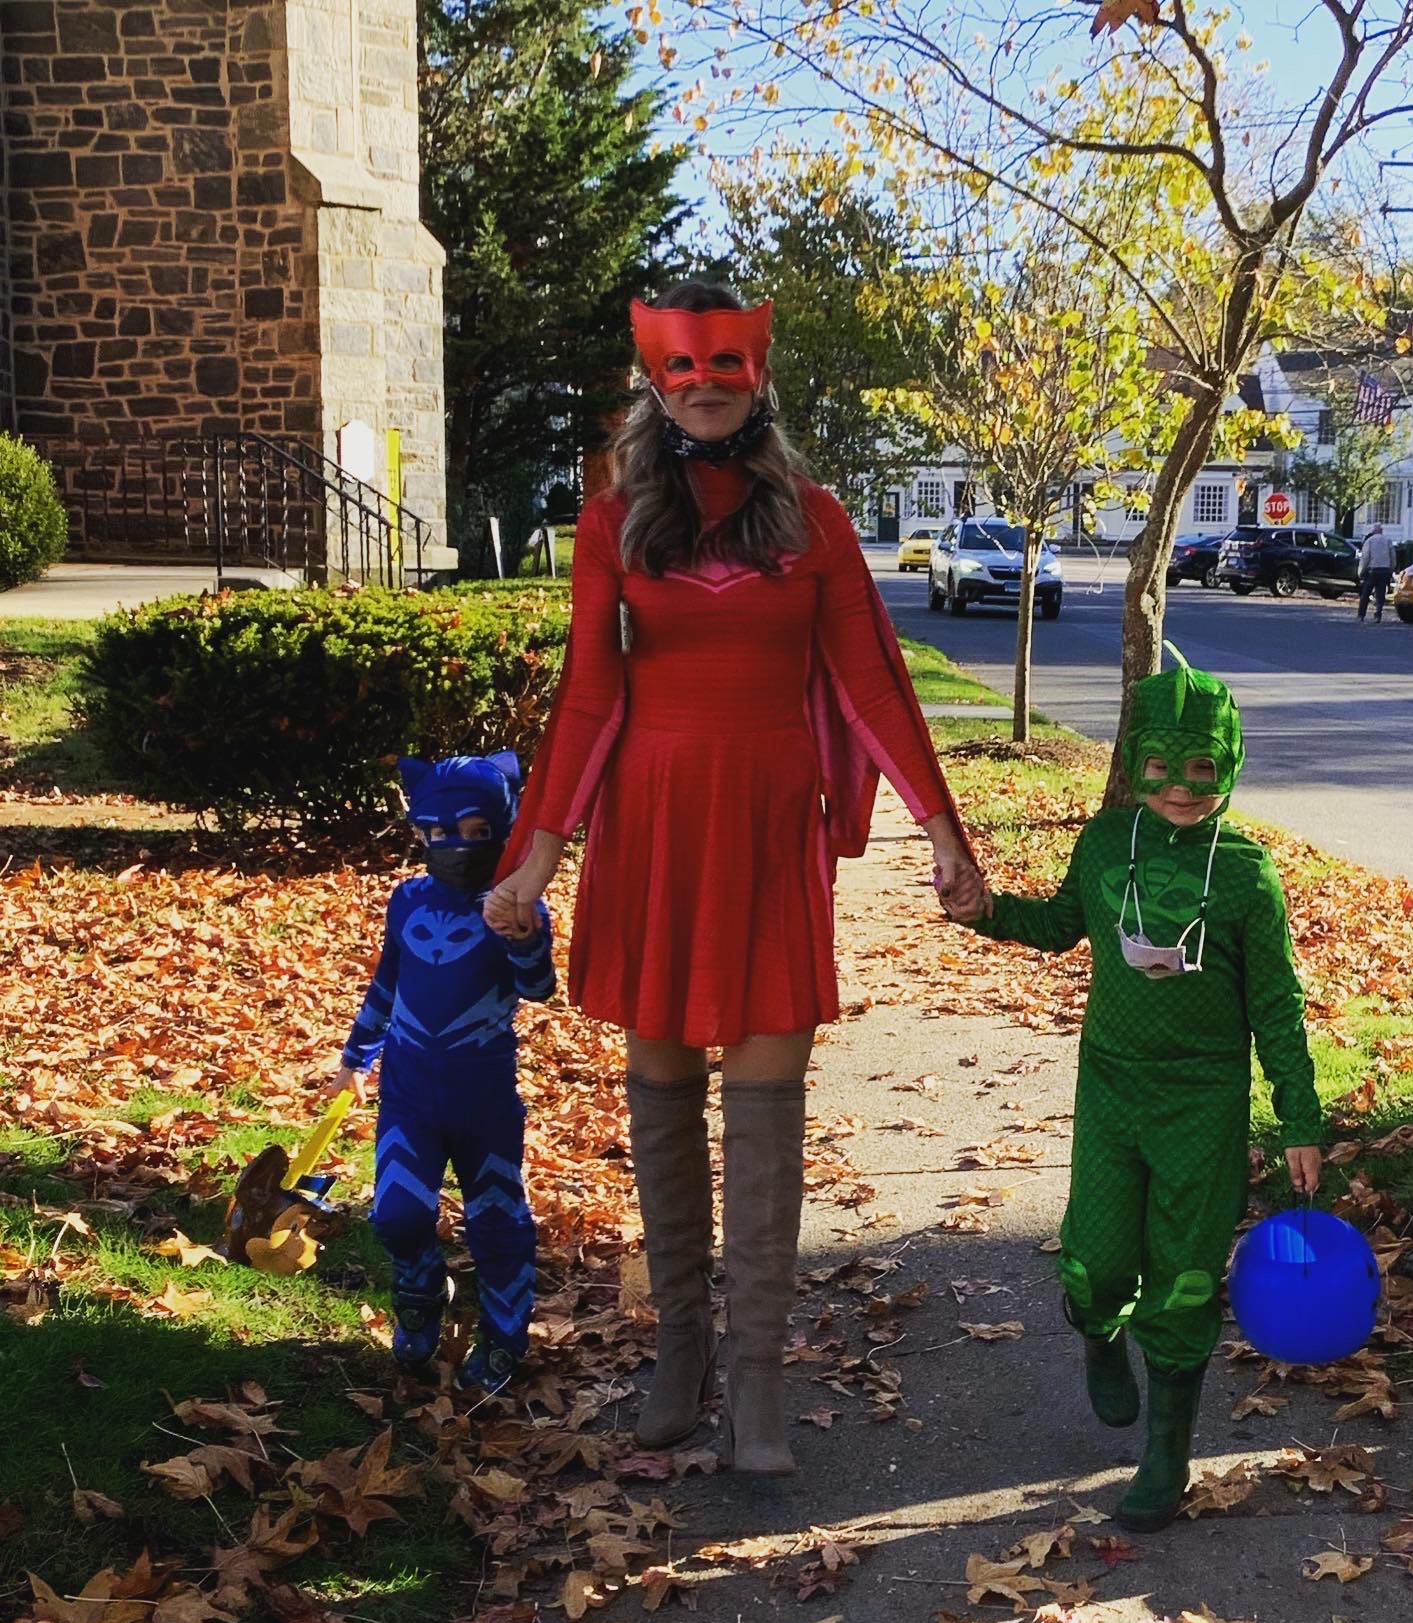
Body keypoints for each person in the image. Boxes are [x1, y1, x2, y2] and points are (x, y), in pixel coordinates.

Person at [484, 282, 983, 1476]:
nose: (703, 385)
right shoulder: (614, 520)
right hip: (652, 830)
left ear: (756, 376)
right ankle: (683, 1350)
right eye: (682, 368)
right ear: (655, 383)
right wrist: (534, 861)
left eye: (724, 366)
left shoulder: (815, 518)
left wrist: (943, 830)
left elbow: (871, 681)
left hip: (767, 832)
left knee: (766, 1107)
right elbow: (589, 694)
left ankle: (759, 1375)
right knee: (659, 1096)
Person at [944, 653, 1322, 1530]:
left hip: (1205, 1103)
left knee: (1184, 1272)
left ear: (1229, 764)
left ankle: (1168, 1450)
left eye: (1203, 768)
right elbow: (1058, 925)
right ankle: (1097, 1330)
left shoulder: (1246, 874)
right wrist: (986, 911)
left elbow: (1276, 1004)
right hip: (1113, 1086)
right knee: (1099, 1256)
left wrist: (1298, 1117)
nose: (1182, 787)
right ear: (1134, 762)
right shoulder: (1106, 843)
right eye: (1161, 766)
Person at [324, 754, 556, 1394]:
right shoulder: (408, 900)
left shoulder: (516, 903)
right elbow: (388, 980)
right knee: (396, 1215)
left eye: (478, 832)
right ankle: (421, 1288)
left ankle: (505, 1334)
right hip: (409, 1094)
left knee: (498, 1222)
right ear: (420, 831)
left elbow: (538, 987)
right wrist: (355, 1058)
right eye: (438, 833)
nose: (457, 847)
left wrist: (524, 937)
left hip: (484, 1099)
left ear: (504, 829)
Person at [1357, 525, 1396, 622]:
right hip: (1384, 570)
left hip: (1372, 570)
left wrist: (1361, 571)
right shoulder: (1388, 541)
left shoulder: (1369, 541)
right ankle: (1378, 614)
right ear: (1381, 531)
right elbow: (1393, 557)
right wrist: (1391, 569)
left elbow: (1365, 558)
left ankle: (1361, 614)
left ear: (1373, 531)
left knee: (1366, 593)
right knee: (1380, 594)